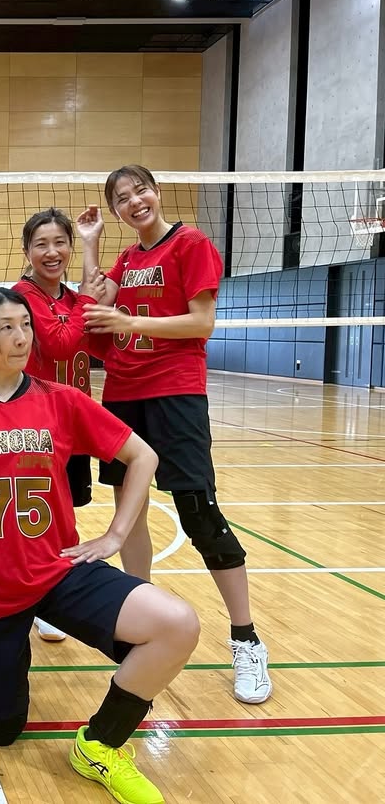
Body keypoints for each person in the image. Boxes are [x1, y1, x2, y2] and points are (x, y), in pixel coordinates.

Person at [0, 288, 199, 804]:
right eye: (6, 327)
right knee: (1, 729)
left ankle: (99, 744)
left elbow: (144, 457)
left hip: (58, 571)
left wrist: (114, 535)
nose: (21, 337)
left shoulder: (59, 400)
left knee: (177, 625)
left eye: (26, 325)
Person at [82, 164, 272, 704]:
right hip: (124, 393)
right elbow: (96, 304)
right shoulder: (127, 259)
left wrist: (133, 324)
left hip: (175, 392)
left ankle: (246, 639)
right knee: (130, 511)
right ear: (116, 211)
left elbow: (201, 322)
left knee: (199, 512)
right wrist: (90, 243)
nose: (134, 201)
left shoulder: (190, 244)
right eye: (122, 198)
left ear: (157, 192)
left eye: (140, 190)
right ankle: (139, 622)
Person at [11, 207, 110, 642]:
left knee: (63, 514)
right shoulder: (23, 296)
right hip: (35, 423)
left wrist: (90, 242)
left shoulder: (71, 299)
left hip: (71, 423)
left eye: (60, 243)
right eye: (41, 244)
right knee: (36, 515)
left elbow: (96, 342)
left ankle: (51, 594)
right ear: (27, 251)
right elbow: (59, 343)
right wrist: (88, 301)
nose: (52, 252)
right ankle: (30, 595)